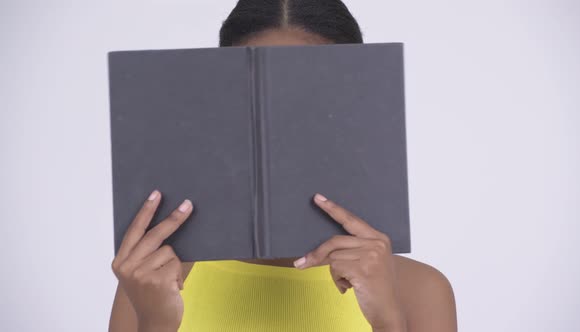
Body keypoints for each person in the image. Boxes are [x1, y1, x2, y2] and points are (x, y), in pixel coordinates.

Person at [109, 1, 457, 331]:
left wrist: (387, 321)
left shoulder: (420, 290)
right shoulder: (151, 281)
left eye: (310, 102)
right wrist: (156, 323)